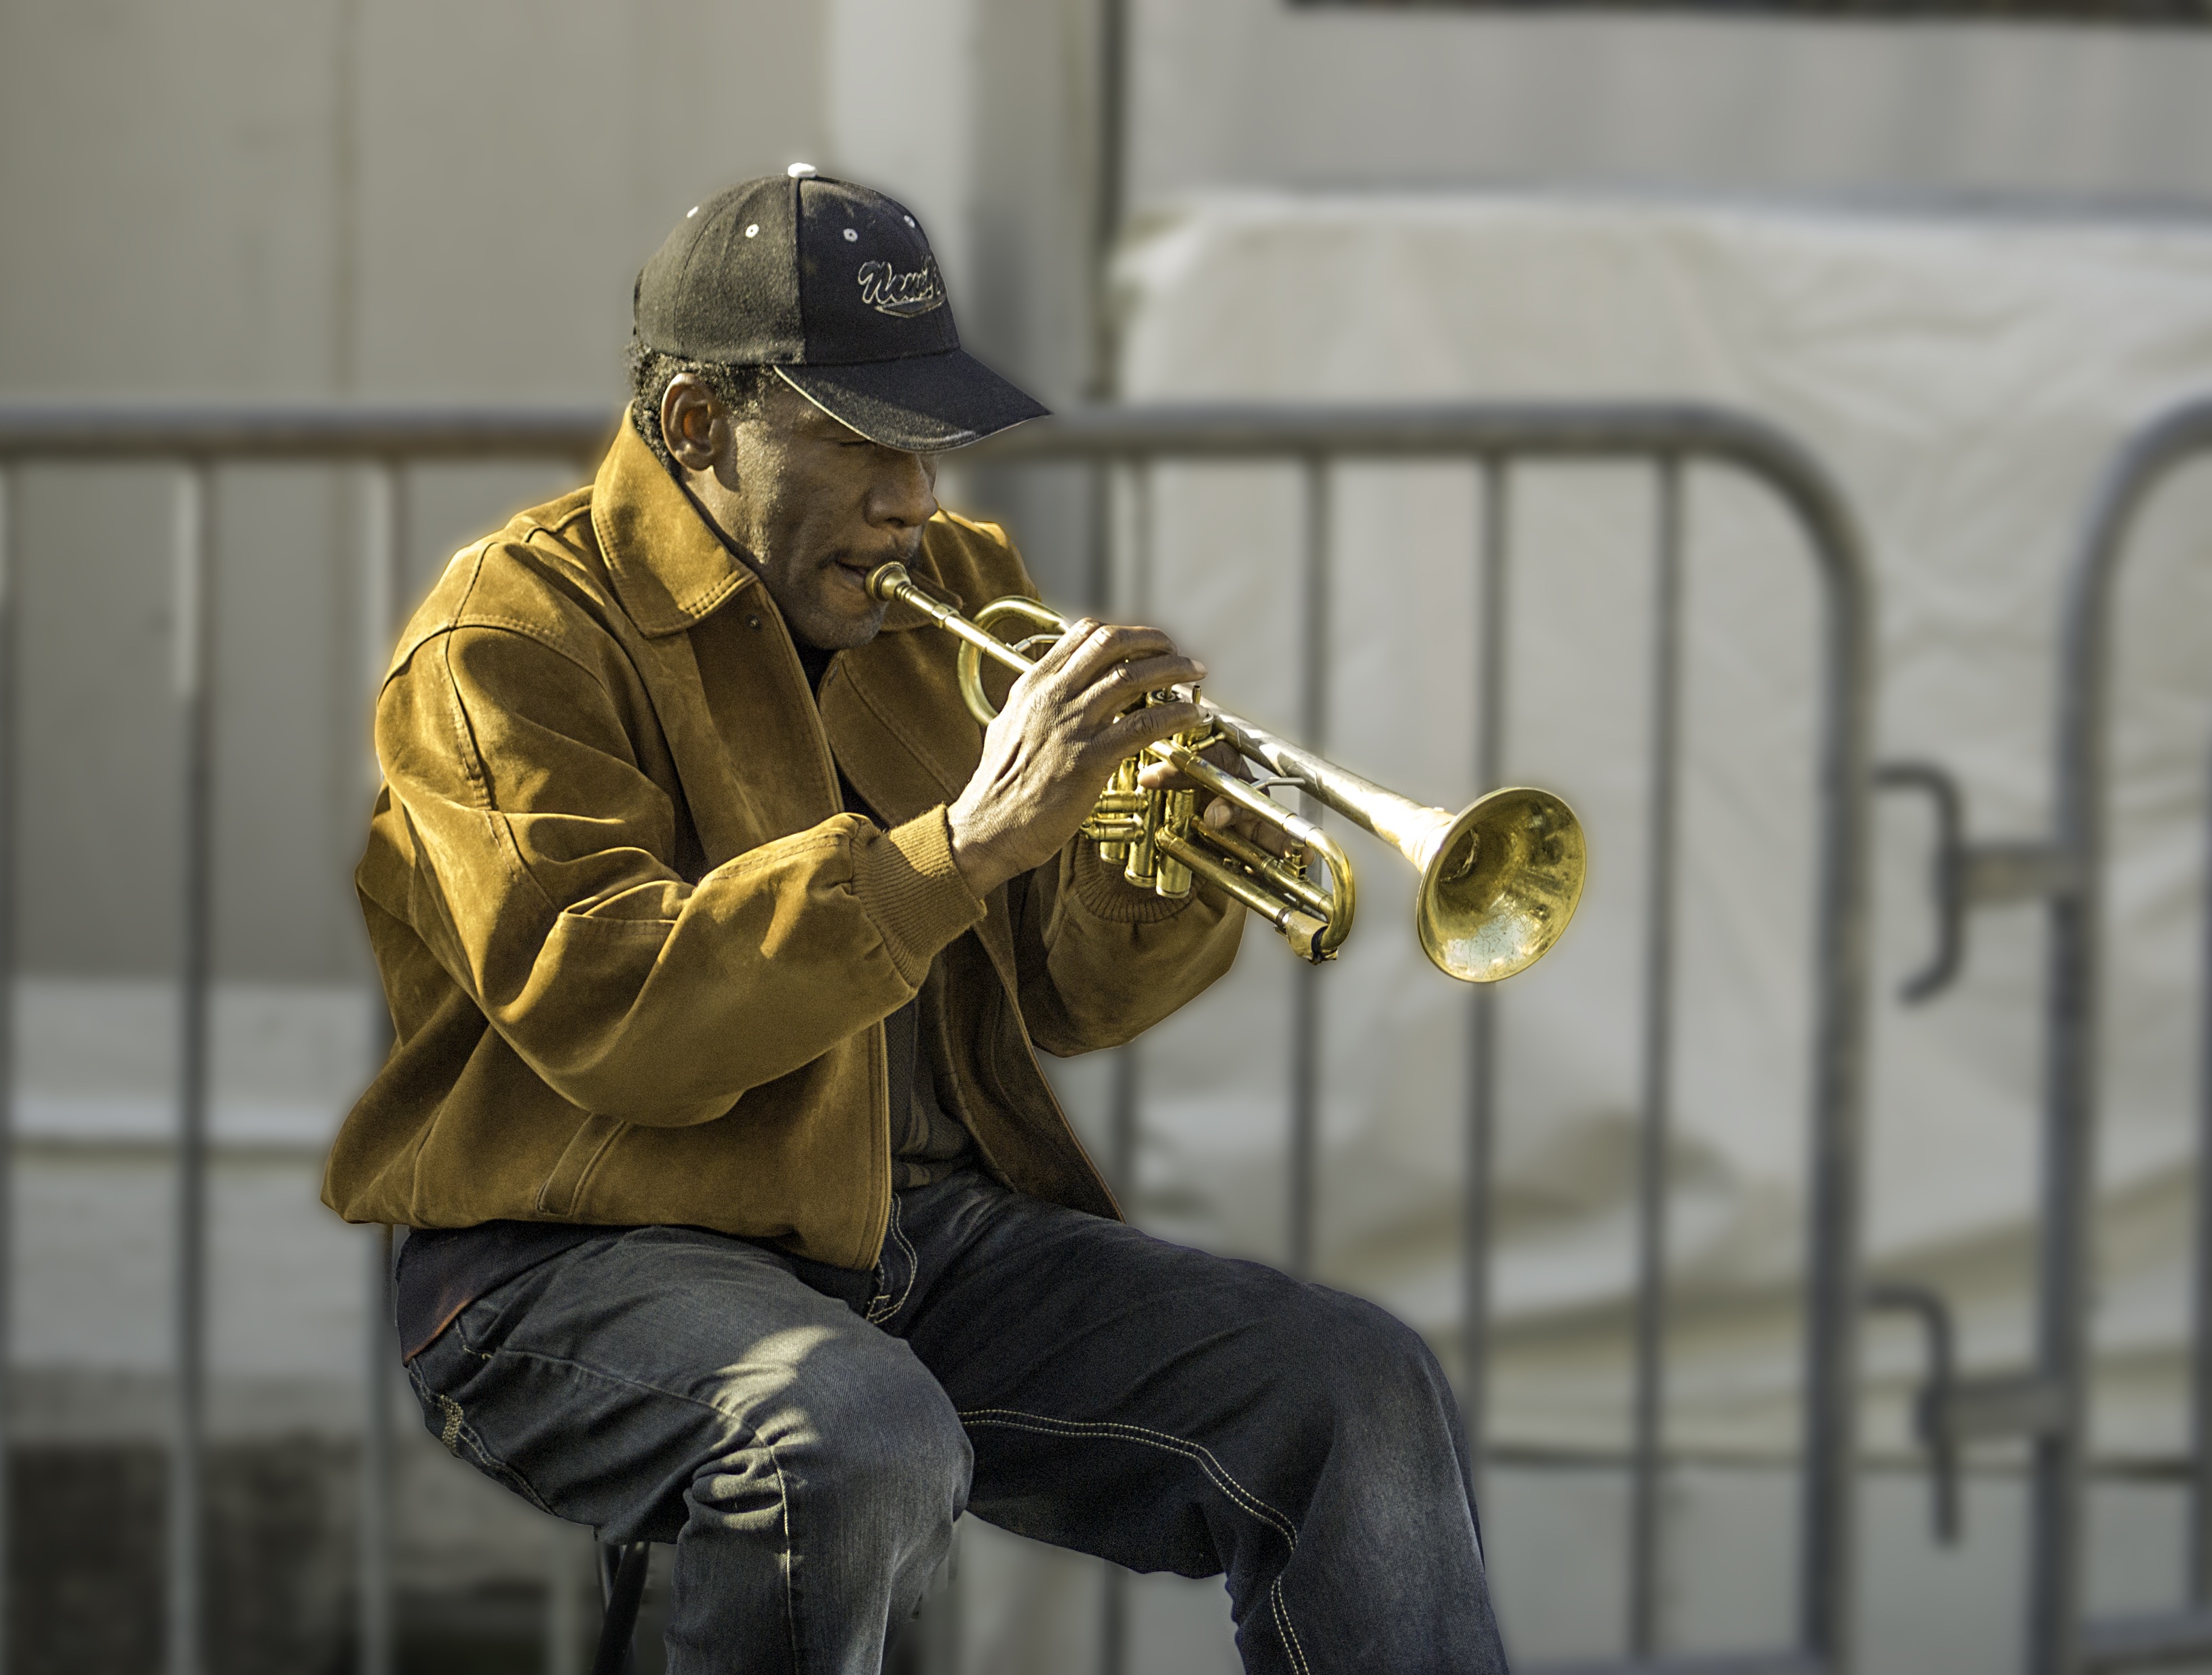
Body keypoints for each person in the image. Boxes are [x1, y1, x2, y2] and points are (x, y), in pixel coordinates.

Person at [323, 166, 1508, 1674]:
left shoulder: (951, 589)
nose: (913, 501)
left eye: (927, 443)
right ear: (695, 425)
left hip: (908, 1234)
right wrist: (958, 847)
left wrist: (1141, 869)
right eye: (859, 442)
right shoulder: (506, 637)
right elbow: (610, 1012)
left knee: (1356, 1386)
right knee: (850, 1438)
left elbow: (1069, 1004)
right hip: (571, 1255)